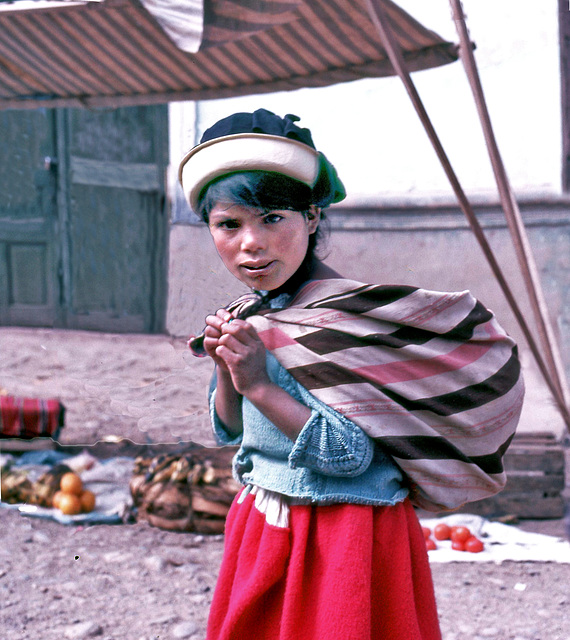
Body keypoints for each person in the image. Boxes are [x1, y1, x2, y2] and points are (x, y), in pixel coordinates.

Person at [179, 109, 524, 640]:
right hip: (270, 521)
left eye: (273, 218)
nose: (251, 242)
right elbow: (229, 430)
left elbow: (349, 456)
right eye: (229, 224)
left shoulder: (344, 322)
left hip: (343, 534)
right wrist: (230, 367)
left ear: (312, 218)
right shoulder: (253, 314)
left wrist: (259, 384)